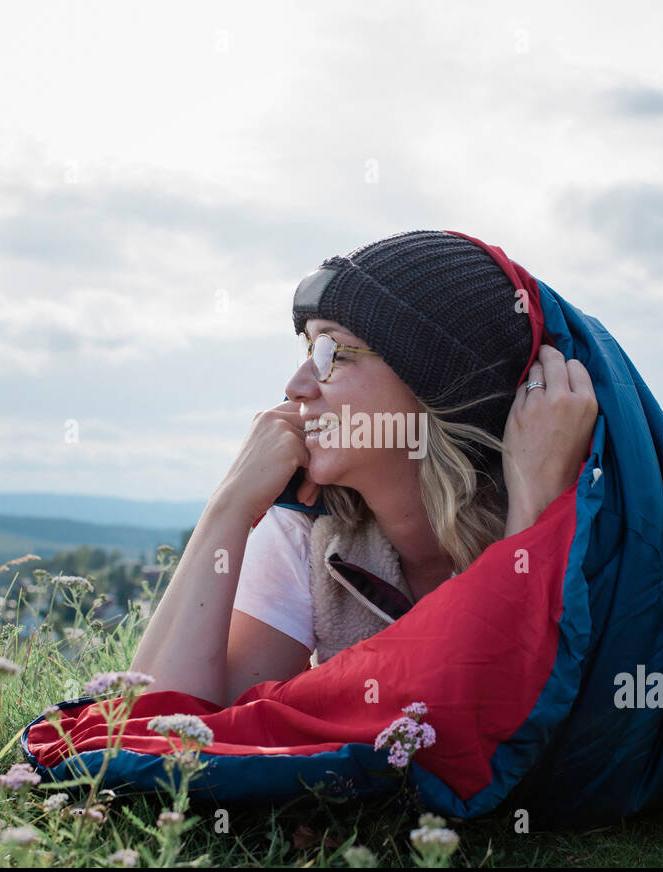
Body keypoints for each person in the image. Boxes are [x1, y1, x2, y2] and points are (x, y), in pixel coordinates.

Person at [129, 229, 598, 706]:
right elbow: (160, 733)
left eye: (333, 353)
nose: (295, 386)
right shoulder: (310, 531)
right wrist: (228, 506)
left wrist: (534, 519)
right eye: (309, 350)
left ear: (437, 386)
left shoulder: (582, 519)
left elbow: (508, 735)